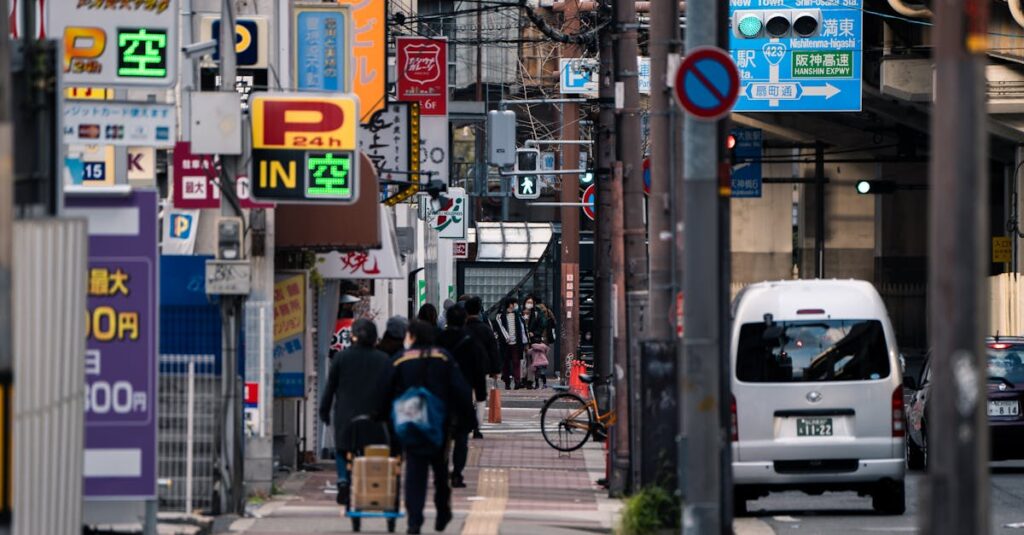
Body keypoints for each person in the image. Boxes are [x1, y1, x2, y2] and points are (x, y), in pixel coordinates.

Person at [383, 320, 475, 534]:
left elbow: (385, 390)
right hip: (439, 424)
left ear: (412, 336)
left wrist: (381, 417)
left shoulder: (400, 359)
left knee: (415, 471)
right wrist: (468, 420)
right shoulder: (443, 357)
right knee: (441, 470)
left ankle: (414, 520)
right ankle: (443, 509)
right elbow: (460, 390)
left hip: (411, 424)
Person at [318, 319, 392, 506]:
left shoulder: (341, 358)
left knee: (342, 449)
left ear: (353, 336)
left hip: (346, 415)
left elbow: (330, 388)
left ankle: (343, 480)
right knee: (373, 449)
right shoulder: (384, 359)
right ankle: (371, 483)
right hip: (374, 416)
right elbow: (390, 390)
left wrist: (324, 410)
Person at [437, 305, 487, 488]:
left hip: (440, 395)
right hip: (463, 395)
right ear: (464, 320)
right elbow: (479, 370)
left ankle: (441, 472)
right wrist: (480, 394)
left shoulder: (438, 339)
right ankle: (457, 473)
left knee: (440, 436)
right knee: (461, 437)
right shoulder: (471, 341)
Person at [463, 296, 499, 439]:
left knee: (466, 396)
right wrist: (495, 369)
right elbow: (493, 350)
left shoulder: (462, 329)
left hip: (464, 368)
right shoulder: (485, 329)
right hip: (481, 368)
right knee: (480, 397)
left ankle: (466, 423)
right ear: (479, 311)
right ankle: (477, 427)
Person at [494, 297, 529, 389]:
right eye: (514, 304)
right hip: (505, 344)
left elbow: (523, 329)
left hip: (516, 343)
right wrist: (507, 338)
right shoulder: (500, 316)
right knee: (506, 363)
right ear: (509, 304)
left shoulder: (518, 315)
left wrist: (525, 342)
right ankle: (507, 383)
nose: (515, 306)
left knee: (516, 362)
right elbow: (500, 328)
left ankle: (517, 382)